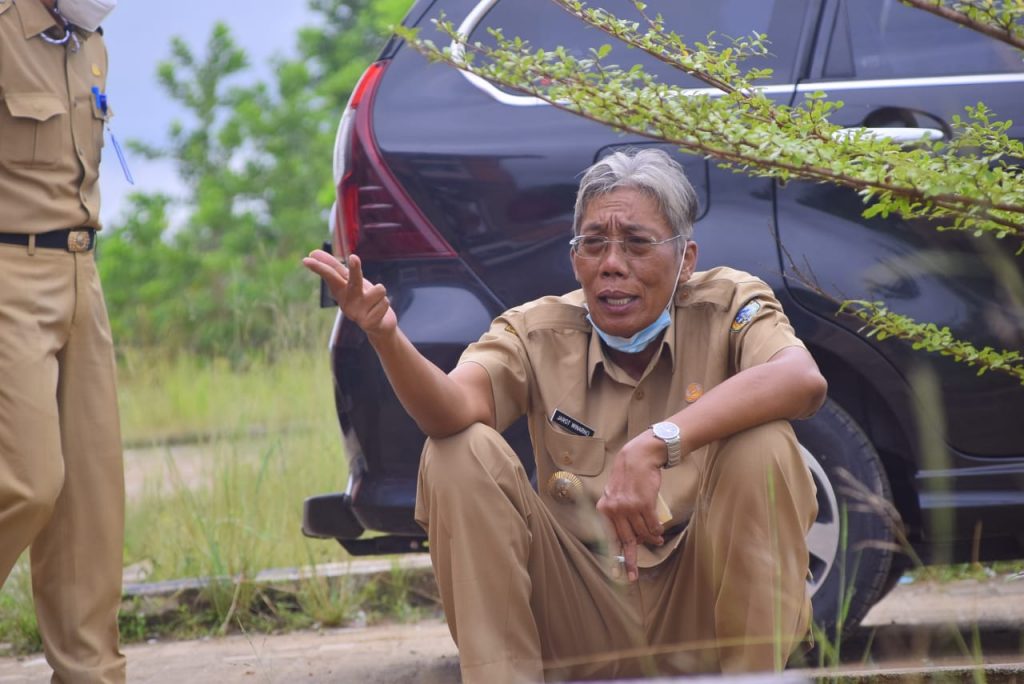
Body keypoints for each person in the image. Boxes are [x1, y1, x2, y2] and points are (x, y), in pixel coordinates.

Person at [304, 148, 827, 682]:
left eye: (637, 243)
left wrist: (657, 443)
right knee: (457, 452)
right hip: (579, 614)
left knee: (764, 445)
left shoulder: (730, 303)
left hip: (704, 613)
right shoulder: (535, 332)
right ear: (575, 258)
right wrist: (386, 336)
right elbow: (450, 410)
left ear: (685, 259)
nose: (612, 264)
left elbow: (800, 378)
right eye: (593, 243)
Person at [0, 0, 125, 681]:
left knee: (90, 506)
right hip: (8, 273)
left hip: (82, 274)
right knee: (26, 483)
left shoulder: (89, 43)